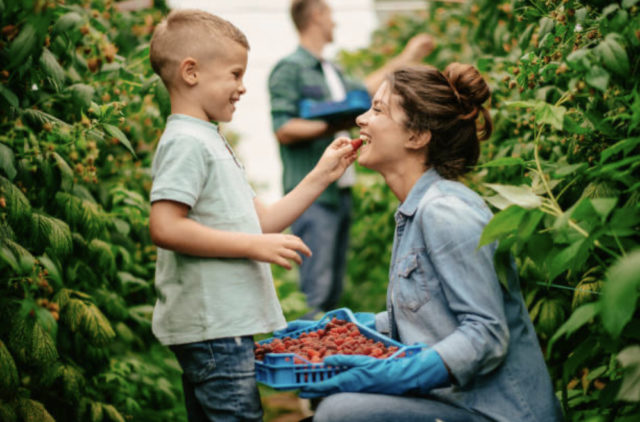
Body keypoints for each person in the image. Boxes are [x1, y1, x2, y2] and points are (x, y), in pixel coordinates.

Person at [295, 64, 564, 421]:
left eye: (377, 109)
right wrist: (343, 329)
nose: (361, 119)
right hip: (458, 404)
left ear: (418, 135)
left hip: (498, 413)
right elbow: (428, 315)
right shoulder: (416, 211)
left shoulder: (446, 212)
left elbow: (486, 335)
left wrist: (394, 374)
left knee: (340, 412)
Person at [147, 9, 357, 421]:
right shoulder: (187, 142)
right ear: (191, 72)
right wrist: (252, 246)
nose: (243, 87)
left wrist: (321, 175)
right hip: (213, 329)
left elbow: (262, 223)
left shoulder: (209, 141)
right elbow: (165, 226)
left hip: (221, 327)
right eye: (235, 74)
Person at [269, 0, 435, 319]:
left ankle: (326, 361)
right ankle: (307, 361)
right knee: (315, 292)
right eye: (331, 14)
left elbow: (370, 91)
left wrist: (409, 57)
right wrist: (332, 124)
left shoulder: (333, 71)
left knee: (332, 290)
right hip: (313, 194)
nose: (335, 23)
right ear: (316, 15)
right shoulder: (290, 69)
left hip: (340, 192)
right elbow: (283, 127)